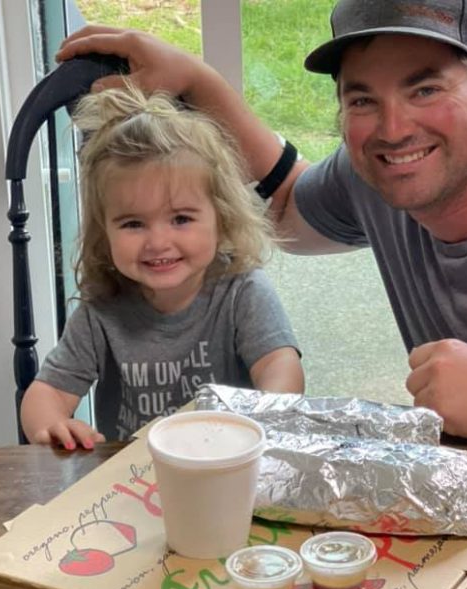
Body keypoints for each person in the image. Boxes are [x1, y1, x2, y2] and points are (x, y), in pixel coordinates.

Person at [56, 0, 467, 459]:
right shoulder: (373, 174)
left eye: (424, 89)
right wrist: (199, 80)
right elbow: (283, 206)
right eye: (362, 99)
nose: (394, 128)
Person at [21, 85, 304, 449]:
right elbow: (47, 393)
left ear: (221, 218)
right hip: (130, 481)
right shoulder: (101, 311)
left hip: (227, 464)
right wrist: (51, 426)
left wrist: (265, 415)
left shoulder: (241, 290)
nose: (158, 242)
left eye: (181, 219)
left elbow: (280, 367)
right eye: (133, 224)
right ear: (103, 232)